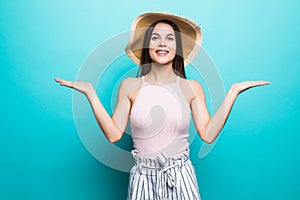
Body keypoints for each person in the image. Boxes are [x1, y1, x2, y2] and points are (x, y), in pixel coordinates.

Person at [54, 12, 270, 200]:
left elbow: (208, 134)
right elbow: (113, 134)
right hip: (143, 178)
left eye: (169, 39)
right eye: (155, 38)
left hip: (180, 175)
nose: (162, 43)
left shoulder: (191, 87)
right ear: (148, 46)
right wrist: (90, 93)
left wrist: (232, 92)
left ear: (178, 47)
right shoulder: (130, 86)